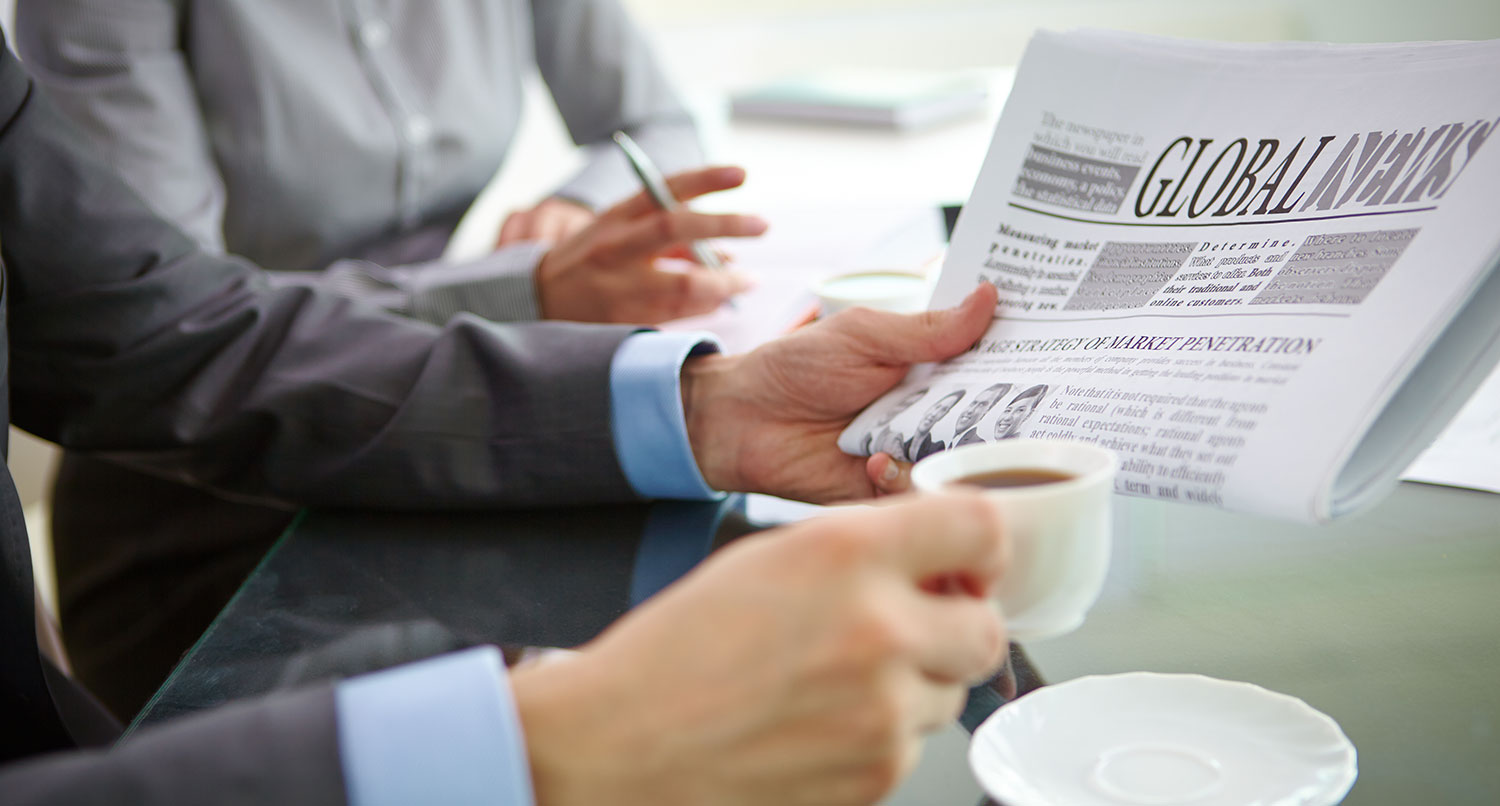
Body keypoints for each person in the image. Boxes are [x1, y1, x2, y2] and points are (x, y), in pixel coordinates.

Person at [0, 34, 1005, 801]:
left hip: (371, 444)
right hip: (184, 546)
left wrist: (707, 403)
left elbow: (179, 327)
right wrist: (553, 744)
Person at [16, 0, 757, 717]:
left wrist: (581, 211)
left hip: (448, 413)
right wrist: (519, 289)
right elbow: (176, 313)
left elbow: (657, 123)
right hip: (197, 486)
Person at [859, 386, 929, 456]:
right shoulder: (871, 415)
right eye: (904, 403)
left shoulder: (893, 439)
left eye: (907, 405)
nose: (900, 408)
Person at [904, 390, 966, 463]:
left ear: (944, 415)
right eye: (937, 407)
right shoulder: (902, 444)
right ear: (930, 407)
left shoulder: (937, 448)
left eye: (943, 410)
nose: (934, 414)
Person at [951, 382, 1013, 447]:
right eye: (974, 403)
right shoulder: (945, 442)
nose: (970, 410)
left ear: (989, 411)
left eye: (982, 405)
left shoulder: (976, 444)